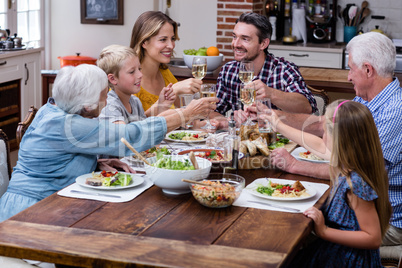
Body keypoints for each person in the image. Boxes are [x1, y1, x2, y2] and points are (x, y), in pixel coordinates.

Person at [0, 64, 217, 221]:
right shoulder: (66, 125)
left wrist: (96, 162)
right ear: (86, 104)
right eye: (104, 96)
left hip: (54, 204)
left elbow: (58, 157)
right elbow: (128, 135)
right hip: (29, 214)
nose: (106, 103)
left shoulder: (53, 110)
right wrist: (185, 114)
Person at [268, 32, 402, 260]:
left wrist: (295, 166)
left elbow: (353, 170)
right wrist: (274, 118)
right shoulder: (365, 100)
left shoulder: (394, 112)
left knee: (289, 236)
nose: (348, 77)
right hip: (361, 210)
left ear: (368, 70)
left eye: (351, 69)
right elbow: (323, 127)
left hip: (384, 222)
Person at [267, 100, 392, 267]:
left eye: (324, 132)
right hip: (334, 252)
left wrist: (324, 231)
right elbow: (316, 144)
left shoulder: (356, 183)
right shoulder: (347, 165)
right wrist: (277, 123)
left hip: (347, 261)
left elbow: (373, 237)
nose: (322, 138)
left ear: (337, 140)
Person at [210, 12, 317, 128]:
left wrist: (271, 93)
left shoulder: (284, 70)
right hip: (242, 142)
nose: (236, 44)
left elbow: (307, 108)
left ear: (263, 44)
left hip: (280, 141)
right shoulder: (228, 70)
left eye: (245, 39)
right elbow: (212, 111)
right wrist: (228, 120)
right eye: (234, 37)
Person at [130, 11, 202, 113]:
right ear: (144, 42)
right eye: (163, 39)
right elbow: (131, 126)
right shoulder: (128, 78)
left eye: (172, 39)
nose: (171, 45)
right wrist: (175, 90)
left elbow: (182, 113)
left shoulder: (165, 74)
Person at [97, 44, 176, 123]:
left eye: (139, 69)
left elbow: (144, 131)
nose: (140, 75)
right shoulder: (109, 106)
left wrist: (161, 107)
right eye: (132, 72)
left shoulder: (135, 102)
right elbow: (125, 134)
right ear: (112, 79)